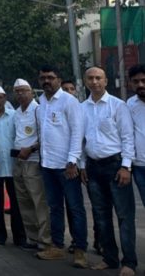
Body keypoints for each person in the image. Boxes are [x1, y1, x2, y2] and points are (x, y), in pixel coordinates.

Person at [81, 67, 136, 275]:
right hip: (93, 168)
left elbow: (127, 137)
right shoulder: (82, 108)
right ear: (85, 81)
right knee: (101, 216)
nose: (94, 82)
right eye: (91, 78)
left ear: (106, 81)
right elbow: (82, 139)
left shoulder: (118, 106)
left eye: (98, 78)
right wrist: (82, 165)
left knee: (124, 216)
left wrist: (126, 166)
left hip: (115, 166)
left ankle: (129, 262)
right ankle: (110, 258)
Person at [33, 65, 87, 268]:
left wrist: (73, 161)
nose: (46, 81)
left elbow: (77, 132)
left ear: (59, 79)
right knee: (54, 207)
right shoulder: (41, 103)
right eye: (42, 78)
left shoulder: (69, 101)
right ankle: (57, 246)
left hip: (67, 166)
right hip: (47, 164)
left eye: (50, 77)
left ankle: (80, 249)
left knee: (75, 208)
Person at [11, 78, 50, 250]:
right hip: (19, 161)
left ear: (31, 92)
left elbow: (45, 136)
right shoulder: (17, 111)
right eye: (17, 91)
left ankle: (45, 239)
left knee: (38, 202)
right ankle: (32, 238)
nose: (20, 94)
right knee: (24, 202)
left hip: (33, 162)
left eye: (24, 90)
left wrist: (32, 149)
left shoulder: (38, 110)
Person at [0, 85, 27, 246]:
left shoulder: (14, 115)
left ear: (5, 98)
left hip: (13, 165)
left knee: (17, 203)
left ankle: (20, 236)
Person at [127, 64, 145, 207]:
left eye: (144, 80)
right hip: (140, 166)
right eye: (136, 81)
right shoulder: (130, 104)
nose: (140, 85)